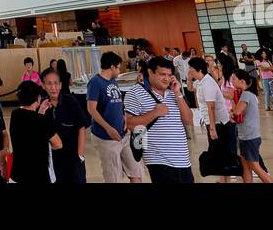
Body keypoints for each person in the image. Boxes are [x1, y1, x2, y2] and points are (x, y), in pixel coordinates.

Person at [123, 55, 194, 183]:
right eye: (162, 74)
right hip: (158, 159)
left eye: (169, 75)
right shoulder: (135, 92)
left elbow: (188, 120)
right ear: (150, 72)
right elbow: (130, 123)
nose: (166, 79)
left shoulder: (174, 92)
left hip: (182, 159)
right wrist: (155, 113)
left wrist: (178, 93)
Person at [86, 50, 141, 183]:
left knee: (136, 171)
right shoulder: (95, 82)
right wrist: (108, 128)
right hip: (106, 138)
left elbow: (119, 104)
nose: (119, 70)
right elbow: (91, 109)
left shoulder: (113, 81)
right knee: (113, 176)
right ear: (112, 66)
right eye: (118, 67)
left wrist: (125, 120)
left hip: (123, 135)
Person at [189, 57, 236, 182]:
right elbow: (189, 88)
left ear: (198, 70)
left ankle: (227, 178)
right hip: (215, 123)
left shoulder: (208, 83)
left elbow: (211, 107)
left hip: (218, 123)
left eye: (191, 69)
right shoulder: (202, 81)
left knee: (220, 152)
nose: (190, 71)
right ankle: (223, 179)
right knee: (221, 152)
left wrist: (213, 129)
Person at [8, 80, 61, 183]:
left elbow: (31, 125)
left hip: (18, 174)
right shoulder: (43, 121)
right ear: (38, 98)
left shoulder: (15, 115)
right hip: (38, 175)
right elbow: (58, 144)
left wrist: (41, 110)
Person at [41, 67, 86, 182]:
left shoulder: (71, 101)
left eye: (56, 83)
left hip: (73, 159)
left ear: (60, 85)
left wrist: (80, 156)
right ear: (43, 85)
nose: (53, 87)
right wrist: (41, 111)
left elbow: (81, 128)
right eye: (49, 84)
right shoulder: (41, 106)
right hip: (53, 161)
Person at [231, 69, 271, 182]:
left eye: (234, 79)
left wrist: (232, 103)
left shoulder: (246, 94)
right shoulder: (248, 94)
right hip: (245, 136)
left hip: (249, 137)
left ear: (242, 81)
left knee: (254, 166)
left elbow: (236, 113)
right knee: (246, 166)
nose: (232, 81)